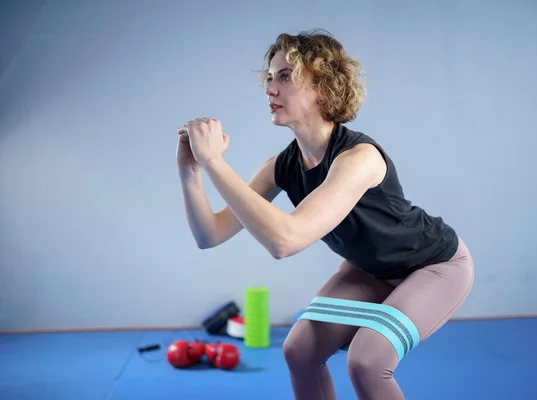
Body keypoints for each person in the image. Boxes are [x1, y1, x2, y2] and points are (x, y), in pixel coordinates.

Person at [176, 29, 474, 400]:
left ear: (323, 88)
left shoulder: (359, 158)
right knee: (298, 351)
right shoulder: (281, 167)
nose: (270, 88)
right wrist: (191, 171)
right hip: (370, 270)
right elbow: (211, 234)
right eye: (269, 78)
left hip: (434, 266)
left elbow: (286, 240)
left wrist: (215, 162)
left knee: (367, 361)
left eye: (285, 76)